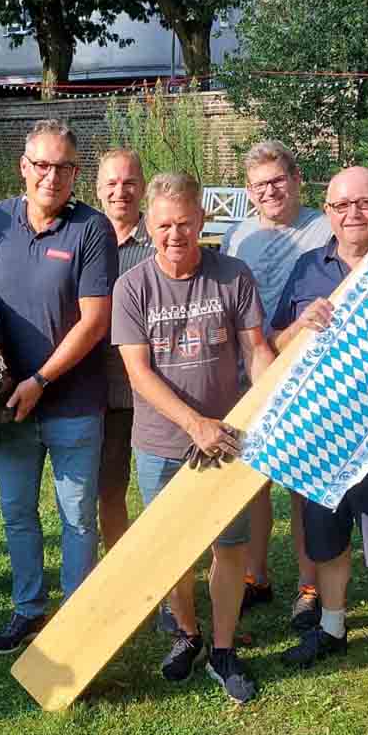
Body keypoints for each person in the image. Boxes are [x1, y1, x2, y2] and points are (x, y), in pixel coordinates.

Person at [0, 119, 117, 656]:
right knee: (17, 511)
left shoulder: (91, 230)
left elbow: (95, 321)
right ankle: (27, 609)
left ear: (76, 172)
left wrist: (41, 380)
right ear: (24, 168)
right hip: (8, 401)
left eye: (64, 167)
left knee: (76, 517)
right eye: (42, 165)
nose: (52, 176)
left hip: (71, 401)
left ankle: (76, 617)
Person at [112, 173, 273, 702]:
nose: (175, 234)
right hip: (161, 441)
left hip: (228, 435)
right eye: (163, 225)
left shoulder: (233, 274)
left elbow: (256, 350)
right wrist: (193, 425)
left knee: (229, 547)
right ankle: (187, 633)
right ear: (148, 226)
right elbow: (139, 373)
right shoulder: (132, 286)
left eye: (184, 223)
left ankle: (223, 649)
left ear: (202, 221)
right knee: (171, 548)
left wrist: (271, 400)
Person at [270, 167, 368, 701]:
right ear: (327, 211)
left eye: (363, 203)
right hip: (322, 432)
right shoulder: (308, 268)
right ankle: (332, 630)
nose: (352, 214)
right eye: (340, 206)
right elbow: (274, 345)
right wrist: (300, 325)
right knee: (328, 541)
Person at [221, 141, 331, 621]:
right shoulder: (238, 235)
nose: (270, 191)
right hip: (246, 369)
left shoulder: (323, 228)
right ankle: (255, 576)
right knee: (253, 479)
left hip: (306, 371)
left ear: (296, 178)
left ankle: (310, 586)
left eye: (277, 181)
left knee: (301, 480)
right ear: (249, 191)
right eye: (260, 185)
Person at [95, 148, 155, 556]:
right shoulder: (86, 240)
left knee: (163, 494)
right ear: (98, 190)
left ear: (143, 187)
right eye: (112, 183)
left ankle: (171, 582)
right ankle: (121, 569)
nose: (121, 191)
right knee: (109, 490)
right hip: (103, 392)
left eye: (130, 182)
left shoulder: (160, 240)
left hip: (156, 388)